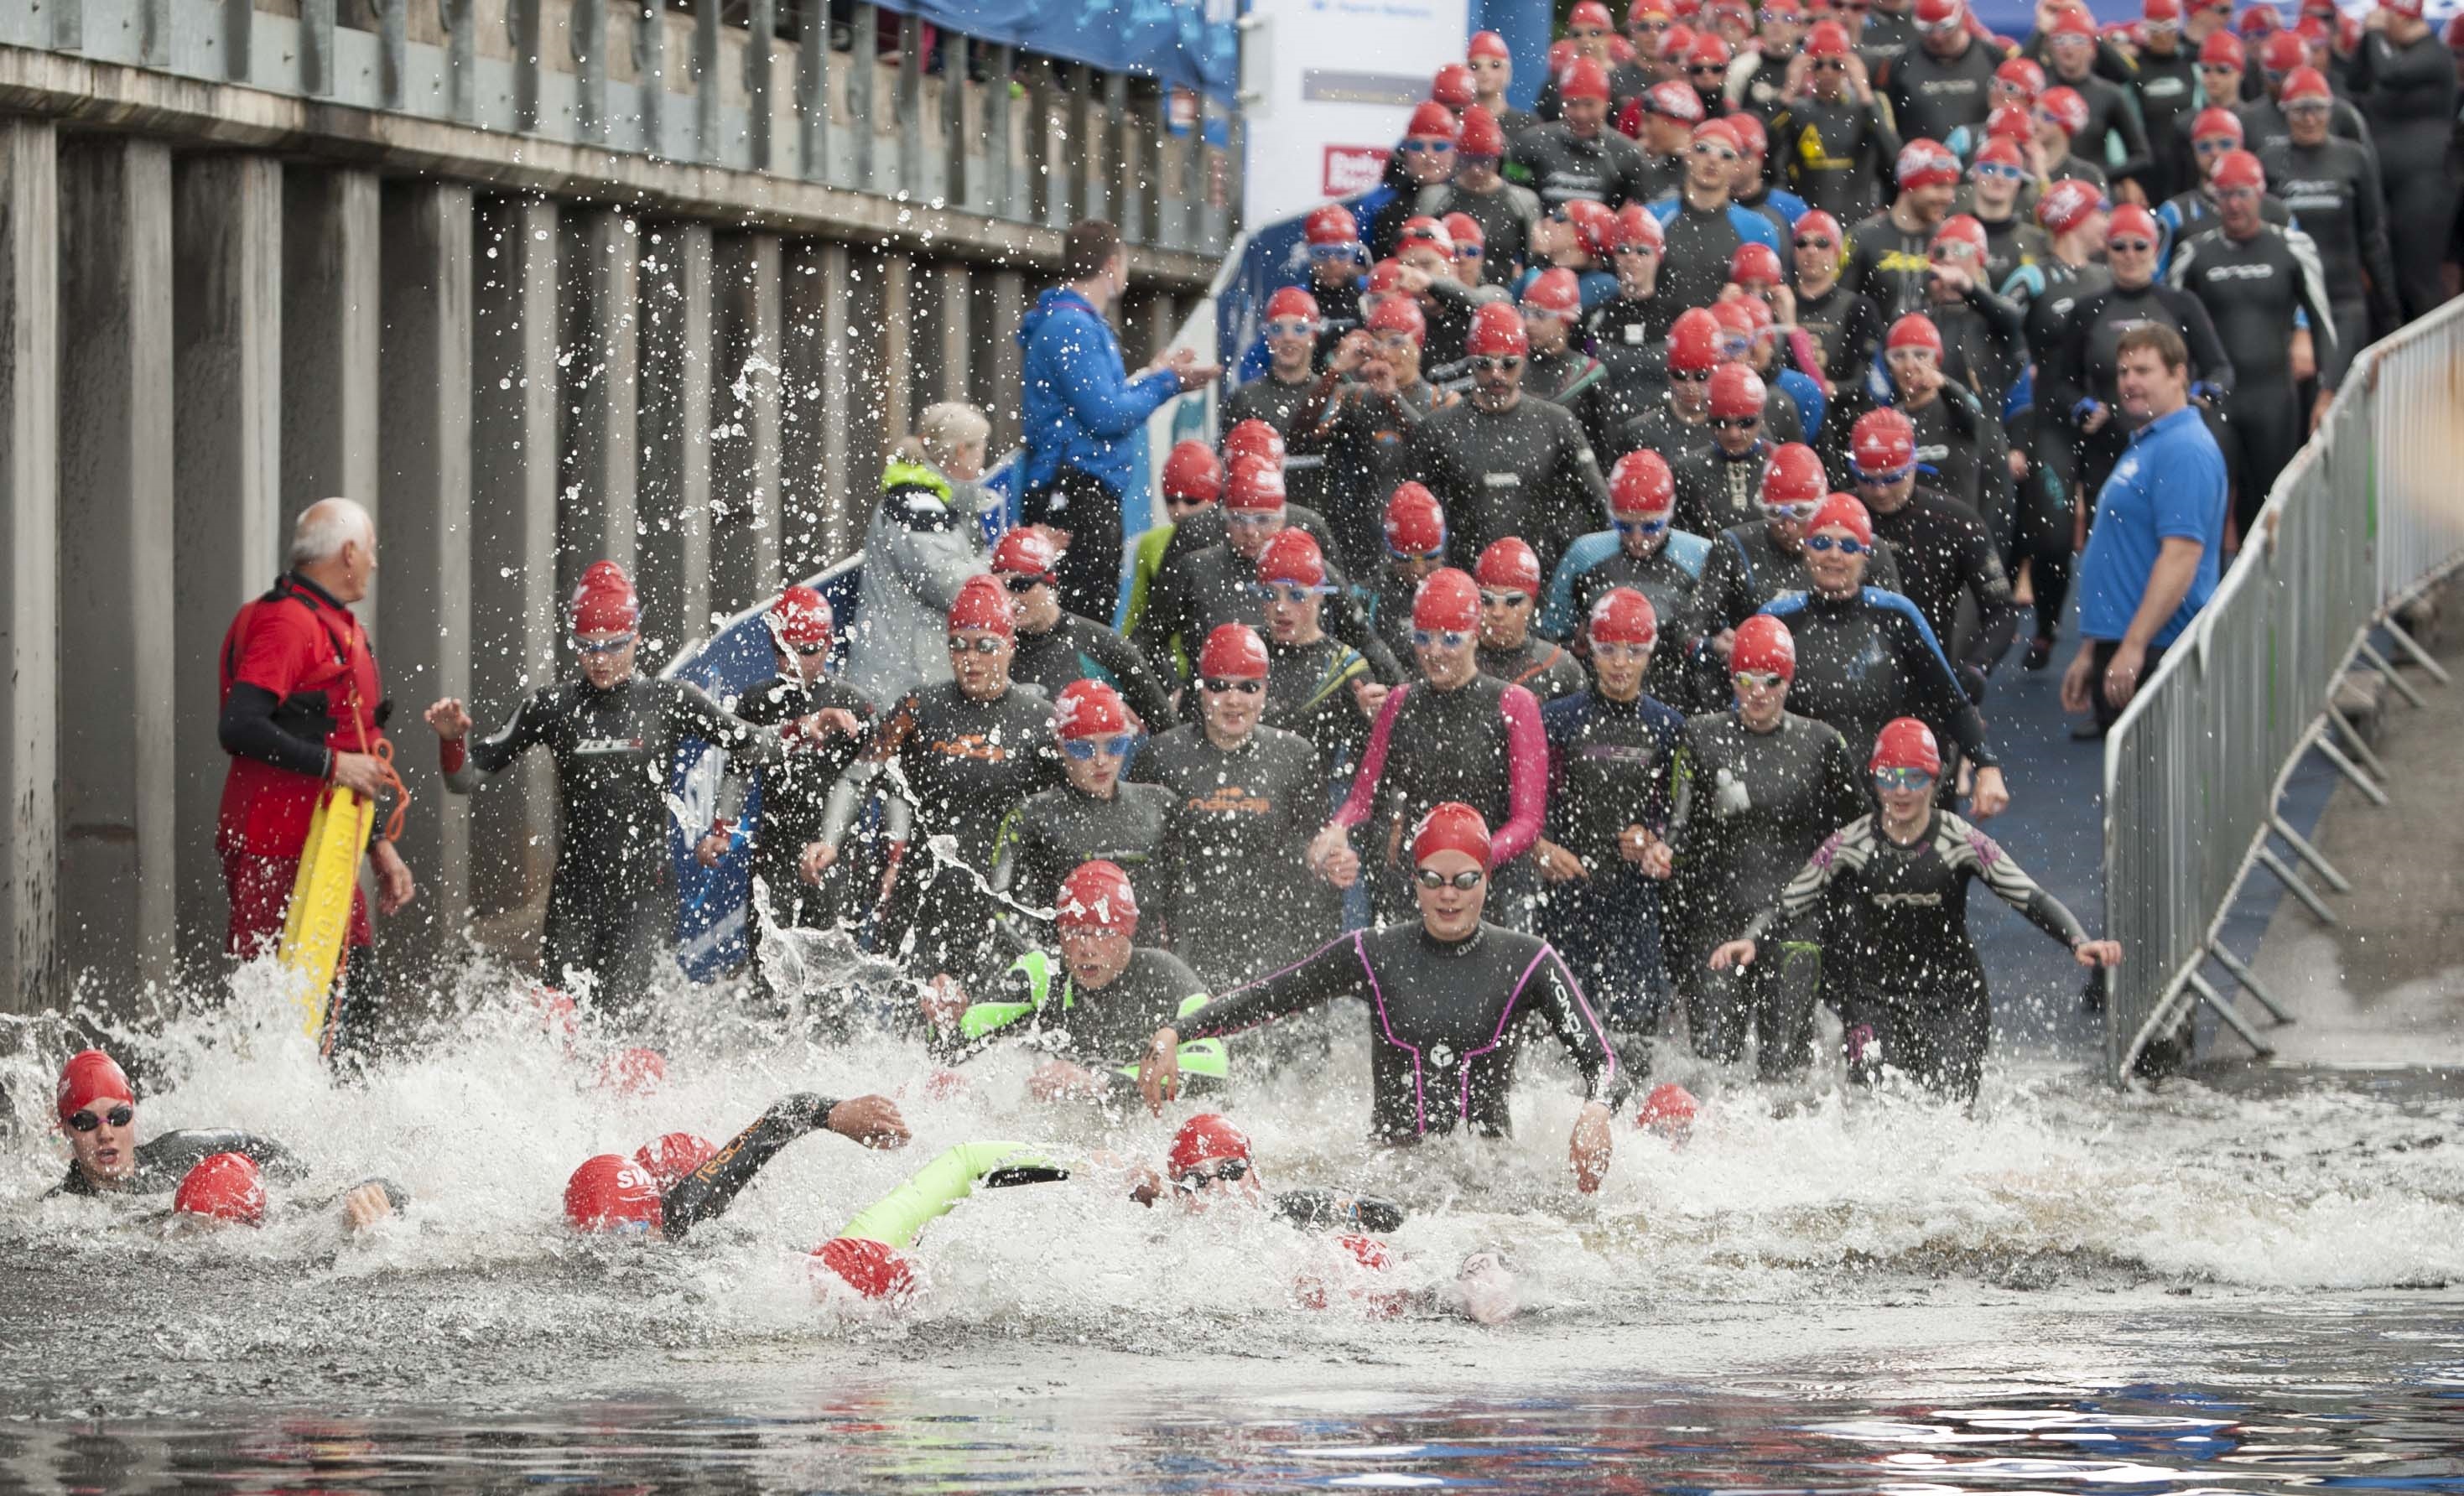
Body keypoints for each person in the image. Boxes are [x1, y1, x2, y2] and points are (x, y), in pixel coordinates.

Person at [1138, 803, 1627, 1193]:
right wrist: (1177, 1031)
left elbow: (1603, 1060)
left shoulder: (1528, 960)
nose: (1448, 895)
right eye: (1433, 879)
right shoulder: (1373, 952)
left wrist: (1597, 1108)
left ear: (1488, 878)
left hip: (1490, 1182)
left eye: (1465, 879)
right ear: (1414, 879)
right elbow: (1275, 993)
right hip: (1391, 1176)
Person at [428, 564, 788, 1017]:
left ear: (636, 637)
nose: (599, 660)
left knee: (621, 1032)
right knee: (561, 1026)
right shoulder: (551, 707)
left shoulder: (670, 700)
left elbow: (756, 745)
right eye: (587, 647)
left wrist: (804, 727)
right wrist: (450, 741)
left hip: (645, 897)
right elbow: (464, 780)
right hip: (575, 896)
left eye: (613, 646)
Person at [1710, 718, 2122, 1101]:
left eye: (1914, 778)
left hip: (1954, 1000)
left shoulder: (1960, 840)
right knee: (1872, 1106)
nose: (1901, 791)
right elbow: (1791, 901)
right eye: (1889, 778)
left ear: (1935, 779)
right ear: (1875, 779)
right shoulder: (1851, 843)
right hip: (1873, 998)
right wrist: (1752, 939)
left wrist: (2077, 940)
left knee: (1950, 1113)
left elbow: (2028, 897)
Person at [215, 497, 412, 1061]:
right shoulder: (287, 622)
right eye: (370, 551)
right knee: (289, 1019)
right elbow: (239, 725)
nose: (373, 563)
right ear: (348, 554)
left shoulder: (332, 622)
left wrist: (381, 849)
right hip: (275, 853)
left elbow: (353, 747)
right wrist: (333, 766)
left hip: (322, 851)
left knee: (354, 1006)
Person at [807, 576, 1062, 981]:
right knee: (908, 1029)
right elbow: (859, 776)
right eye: (958, 645)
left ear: (1010, 645)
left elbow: (1071, 809)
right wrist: (829, 838)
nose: (970, 659)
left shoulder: (1040, 719)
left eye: (985, 645)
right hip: (923, 894)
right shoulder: (920, 707)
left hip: (1004, 903)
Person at [1662, 616, 1864, 1077]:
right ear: (1731, 678)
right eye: (1744, 680)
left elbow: (1856, 835)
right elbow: (1679, 821)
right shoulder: (1702, 735)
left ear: (1788, 679)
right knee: (1712, 1069)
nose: (1756, 693)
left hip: (1794, 919)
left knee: (1785, 1072)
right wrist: (1663, 849)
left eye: (1770, 682)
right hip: (1716, 916)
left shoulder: (1821, 743)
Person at [1311, 569, 1549, 923]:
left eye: (1450, 639)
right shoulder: (1401, 702)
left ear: (1474, 636)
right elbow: (1362, 800)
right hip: (1417, 886)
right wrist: (1337, 830)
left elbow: (1527, 821)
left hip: (1489, 889)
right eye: (1424, 638)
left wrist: (1469, 861)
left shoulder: (1514, 704)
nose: (1434, 652)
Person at [1018, 219, 1222, 621]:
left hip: (1077, 488)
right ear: (1113, 264)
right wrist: (1167, 383)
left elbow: (1101, 403)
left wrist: (1156, 376)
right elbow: (1107, 415)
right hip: (1074, 492)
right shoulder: (1071, 326)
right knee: (1081, 620)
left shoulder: (1074, 322)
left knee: (1085, 616)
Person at [1758, 493, 2008, 812]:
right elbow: (1744, 712)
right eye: (1822, 543)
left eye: (1848, 546)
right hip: (1801, 797)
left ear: (1866, 555)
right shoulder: (1777, 620)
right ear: (1806, 549)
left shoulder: (1895, 615)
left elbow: (1950, 699)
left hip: (1883, 795)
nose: (1834, 555)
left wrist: (1987, 766)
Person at [697, 587, 878, 1008]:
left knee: (832, 980)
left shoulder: (856, 705)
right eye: (783, 651)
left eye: (808, 650)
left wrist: (872, 850)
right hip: (775, 850)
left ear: (829, 645)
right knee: (771, 974)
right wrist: (722, 829)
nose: (795, 663)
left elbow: (866, 784)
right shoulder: (758, 700)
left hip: (834, 857)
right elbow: (740, 768)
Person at [1129, 625, 1339, 985]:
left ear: (1265, 690)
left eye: (1248, 687)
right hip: (1190, 942)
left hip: (1273, 942)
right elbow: (1140, 859)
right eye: (1219, 686)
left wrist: (1335, 863)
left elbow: (1315, 862)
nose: (1234, 700)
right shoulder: (1162, 757)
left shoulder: (1295, 757)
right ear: (1201, 687)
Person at [925, 859, 1223, 1104]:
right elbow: (950, 1050)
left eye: (1102, 932)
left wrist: (1100, 1084)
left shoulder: (1166, 975)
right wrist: (944, 1021)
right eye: (1074, 931)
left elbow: (1214, 1068)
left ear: (1127, 933)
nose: (1086, 948)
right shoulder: (1043, 973)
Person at [2061, 322, 2228, 735]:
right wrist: (2091, 648)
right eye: (2123, 372)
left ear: (2178, 375)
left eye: (2143, 371)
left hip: (2157, 649)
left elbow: (2181, 557)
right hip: (2125, 643)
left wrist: (2134, 645)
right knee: (2127, 794)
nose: (2129, 382)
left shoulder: (2185, 448)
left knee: (2156, 794)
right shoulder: (2148, 442)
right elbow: (2119, 548)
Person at [1535, 589, 1687, 1035]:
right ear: (1589, 649)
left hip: (1633, 898)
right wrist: (1539, 847)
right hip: (1566, 889)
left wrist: (1655, 839)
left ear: (1650, 652)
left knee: (1636, 1029)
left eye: (1633, 651)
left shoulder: (1668, 727)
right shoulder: (1557, 720)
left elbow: (1681, 814)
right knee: (1561, 1029)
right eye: (1608, 650)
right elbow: (1525, 801)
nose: (1620, 663)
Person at [2165, 148, 2337, 538]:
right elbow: (2169, 329)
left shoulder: (2293, 247)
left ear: (2260, 194)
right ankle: (2209, 592)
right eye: (2225, 195)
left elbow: (2324, 321)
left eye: (2242, 193)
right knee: (2206, 499)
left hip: (2273, 395)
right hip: (2215, 397)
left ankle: (2270, 590)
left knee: (2268, 501)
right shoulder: (2194, 253)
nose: (2234, 204)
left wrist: (2326, 392)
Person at [2040, 203, 2233, 504]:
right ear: (2107, 252)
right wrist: (2082, 408)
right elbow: (2063, 382)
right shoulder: (2088, 310)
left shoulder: (2182, 305)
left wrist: (2203, 396)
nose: (2130, 255)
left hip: (2171, 440)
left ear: (2155, 251)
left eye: (2140, 246)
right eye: (2119, 246)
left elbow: (2220, 369)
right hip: (2109, 447)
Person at [1406, 301, 1614, 578]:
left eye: (1508, 364)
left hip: (1541, 580)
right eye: (1483, 364)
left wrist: (1583, 574)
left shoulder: (1556, 423)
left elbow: (1601, 505)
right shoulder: (1439, 428)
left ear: (1524, 359)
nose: (1496, 374)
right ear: (1470, 361)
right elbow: (1409, 513)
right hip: (1465, 582)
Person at [2000, 178, 2113, 669]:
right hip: (2050, 420)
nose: (2108, 224)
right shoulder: (2034, 278)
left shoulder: (2109, 279)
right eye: (2100, 213)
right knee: (2052, 535)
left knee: (2114, 530)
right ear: (2076, 219)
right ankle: (2047, 624)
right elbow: (2001, 341)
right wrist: (2015, 427)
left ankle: (2108, 634)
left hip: (2105, 420)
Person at [563, 1091, 912, 1240]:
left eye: (634, 1232)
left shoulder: (686, 1213)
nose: (626, 1249)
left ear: (656, 1212)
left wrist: (835, 1114)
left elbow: (781, 1118)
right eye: (609, 1237)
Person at [986, 679, 1172, 954]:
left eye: (1115, 745)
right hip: (1067, 972)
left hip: (1142, 975)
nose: (1101, 760)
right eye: (1083, 749)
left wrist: (1176, 970)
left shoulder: (1159, 805)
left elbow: (1181, 904)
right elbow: (996, 908)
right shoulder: (1033, 815)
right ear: (1061, 746)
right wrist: (1039, 968)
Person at [1849, 408, 2016, 697]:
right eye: (1867, 479)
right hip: (1851, 685)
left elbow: (2001, 610)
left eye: (1892, 478)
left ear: (1914, 465)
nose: (1878, 492)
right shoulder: (1837, 519)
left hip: (1927, 688)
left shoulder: (1956, 522)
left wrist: (1978, 666)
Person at [1295, 296, 1454, 580]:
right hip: (1362, 544)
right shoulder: (1355, 396)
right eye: (1376, 342)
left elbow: (1437, 451)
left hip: (1424, 551)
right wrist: (1335, 371)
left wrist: (1392, 398)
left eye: (1395, 341)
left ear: (1417, 343)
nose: (1384, 352)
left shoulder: (1441, 399)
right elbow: (1302, 436)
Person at [2259, 68, 2399, 388]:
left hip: (2343, 300)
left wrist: (2390, 312)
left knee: (2338, 393)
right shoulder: (2268, 161)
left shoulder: (2353, 158)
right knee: (2302, 404)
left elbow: (2373, 238)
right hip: (2291, 305)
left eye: (2317, 109)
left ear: (2330, 111)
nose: (2309, 119)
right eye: (2300, 111)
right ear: (2285, 114)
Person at [845, 408, 996, 706]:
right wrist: (997, 572)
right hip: (898, 680)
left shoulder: (936, 498)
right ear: (962, 451)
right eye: (982, 449)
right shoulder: (915, 504)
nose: (984, 461)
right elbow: (949, 584)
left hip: (914, 673)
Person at [1542, 450, 1710, 708]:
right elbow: (1551, 639)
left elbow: (1719, 639)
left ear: (1670, 513)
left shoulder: (1700, 556)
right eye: (1624, 526)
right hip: (1599, 702)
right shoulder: (1584, 555)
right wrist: (1574, 645)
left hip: (1675, 700)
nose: (1638, 538)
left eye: (1651, 526)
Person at [995, 528, 1176, 729]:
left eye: (1020, 585)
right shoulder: (992, 649)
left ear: (1050, 581)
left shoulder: (1103, 645)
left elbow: (1168, 732)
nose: (1009, 598)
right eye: (999, 587)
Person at [2349, 0, 2456, 321]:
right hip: (2388, 183)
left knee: (2418, 278)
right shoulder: (2395, 52)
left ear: (2400, 17)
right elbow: (2356, 79)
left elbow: (2389, 74)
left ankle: (2442, 368)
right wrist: (2370, 38)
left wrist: (2377, 32)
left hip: (2426, 182)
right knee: (2389, 283)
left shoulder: (2434, 55)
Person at [1254, 530, 1384, 785]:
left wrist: (1377, 722)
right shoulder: (1245, 647)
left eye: (1296, 595)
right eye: (1270, 595)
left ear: (1320, 594)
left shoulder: (1346, 667)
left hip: (1314, 810)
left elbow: (1372, 769)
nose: (1281, 607)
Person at [1772, 21, 1903, 223]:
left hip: (1860, 221)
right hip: (1810, 225)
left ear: (1848, 66)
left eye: (1836, 64)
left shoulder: (1871, 104)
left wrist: (1865, 95)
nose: (1827, 71)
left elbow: (1895, 159)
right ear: (1808, 67)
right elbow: (1766, 153)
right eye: (1818, 64)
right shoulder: (1797, 110)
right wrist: (1787, 93)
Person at [1508, 58, 1656, 210]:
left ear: (1606, 104)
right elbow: (1510, 206)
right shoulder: (1528, 145)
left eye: (1589, 104)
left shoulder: (1628, 154)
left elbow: (1642, 217)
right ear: (1561, 103)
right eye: (1572, 104)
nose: (1581, 114)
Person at [1417, 106, 1541, 282]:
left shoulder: (1523, 201)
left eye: (1484, 161)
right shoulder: (1435, 197)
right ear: (1457, 157)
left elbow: (1534, 263)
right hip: (1444, 297)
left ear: (1498, 158)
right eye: (1468, 161)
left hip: (1501, 299)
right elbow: (1416, 256)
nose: (1475, 170)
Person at [1843, 139, 1962, 323]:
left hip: (1938, 349)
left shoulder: (1953, 240)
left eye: (1951, 188)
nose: (1948, 197)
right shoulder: (1862, 238)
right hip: (1878, 348)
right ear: (1910, 186)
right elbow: (1840, 307)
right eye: (1938, 186)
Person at [1518, 269, 1619, 460]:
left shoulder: (1591, 374)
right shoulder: (1511, 367)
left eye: (1540, 314)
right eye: (1524, 312)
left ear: (1565, 319)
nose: (1528, 322)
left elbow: (1607, 450)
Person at [1474, 538, 1589, 701]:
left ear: (1531, 604)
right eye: (1487, 599)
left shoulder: (1559, 666)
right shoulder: (1452, 660)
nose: (1498, 612)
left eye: (1512, 600)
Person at [1790, 211, 1887, 397]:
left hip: (1839, 415)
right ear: (1793, 252)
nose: (1811, 251)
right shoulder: (1778, 304)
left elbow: (1867, 383)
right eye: (1802, 243)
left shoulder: (1859, 309)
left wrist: (1823, 390)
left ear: (1837, 253)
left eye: (1822, 243)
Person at [1884, 0, 2000, 149]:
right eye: (1927, 29)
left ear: (1962, 18)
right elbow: (1887, 122)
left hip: (1980, 168)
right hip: (1921, 164)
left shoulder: (1991, 56)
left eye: (1945, 27)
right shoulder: (1902, 63)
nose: (1937, 37)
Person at [1467, 29, 1541, 140]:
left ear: (1507, 72)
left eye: (1495, 65)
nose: (1484, 71)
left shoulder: (1528, 124)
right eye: (1475, 66)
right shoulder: (1460, 123)